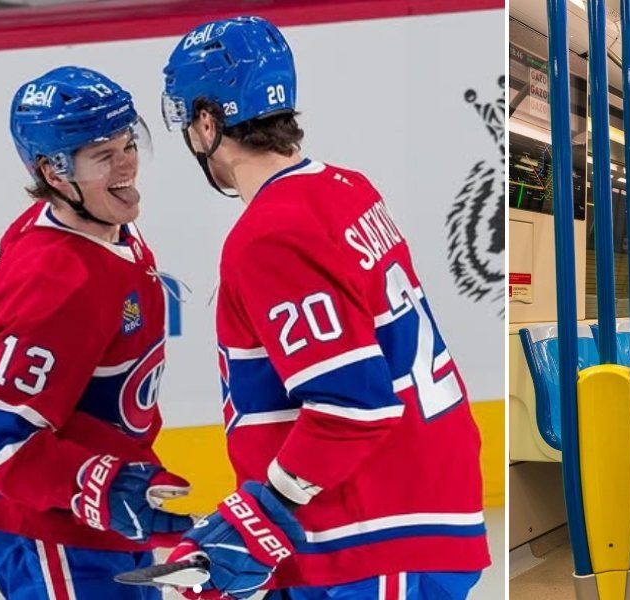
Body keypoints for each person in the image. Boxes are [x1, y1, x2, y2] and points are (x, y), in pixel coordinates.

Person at [157, 16, 491, 599]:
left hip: (380, 527)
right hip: (387, 511)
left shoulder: (270, 233)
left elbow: (352, 404)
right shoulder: (344, 186)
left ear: (208, 123)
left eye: (188, 120)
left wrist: (262, 513)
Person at [0, 66, 193, 599]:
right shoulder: (56, 285)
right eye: (104, 155)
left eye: (128, 143)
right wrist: (101, 485)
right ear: (53, 170)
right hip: (47, 521)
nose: (127, 165)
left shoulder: (102, 225)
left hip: (90, 506)